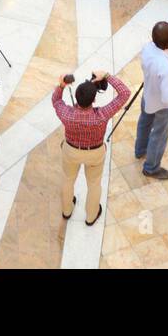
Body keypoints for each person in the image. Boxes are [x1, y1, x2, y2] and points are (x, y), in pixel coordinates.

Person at [53, 71, 129, 225]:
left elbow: (56, 101)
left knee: (68, 179)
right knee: (94, 184)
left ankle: (67, 211)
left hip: (71, 151)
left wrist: (61, 85)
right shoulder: (102, 115)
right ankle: (90, 216)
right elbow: (125, 93)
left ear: (76, 96)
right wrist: (107, 75)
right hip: (95, 153)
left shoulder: (67, 114)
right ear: (94, 99)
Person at [135, 20, 168, 179]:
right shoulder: (165, 67)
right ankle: (151, 167)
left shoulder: (147, 48)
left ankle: (140, 150)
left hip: (148, 95)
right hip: (163, 106)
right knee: (159, 135)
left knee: (144, 122)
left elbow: (160, 43)